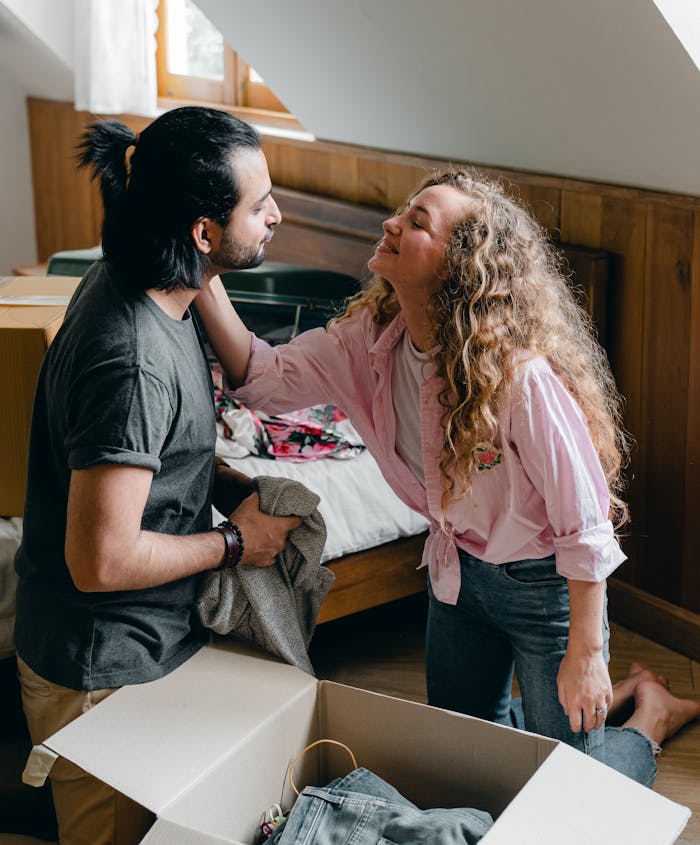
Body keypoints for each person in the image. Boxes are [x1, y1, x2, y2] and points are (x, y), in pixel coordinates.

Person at [194, 167, 700, 786]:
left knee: (572, 784)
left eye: (416, 222)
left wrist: (586, 655)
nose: (391, 224)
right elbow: (263, 379)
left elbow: (585, 527)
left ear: (460, 266)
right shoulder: (367, 341)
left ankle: (648, 717)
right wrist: (202, 267)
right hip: (455, 577)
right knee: (468, 761)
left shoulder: (521, 378)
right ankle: (618, 702)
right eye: (402, 212)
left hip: (543, 587)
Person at [14, 106, 300, 845]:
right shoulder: (133, 356)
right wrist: (237, 544)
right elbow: (100, 558)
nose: (277, 213)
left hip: (148, 645)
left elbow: (153, 451)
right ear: (203, 232)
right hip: (99, 671)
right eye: (257, 202)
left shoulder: (161, 280)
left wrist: (213, 479)